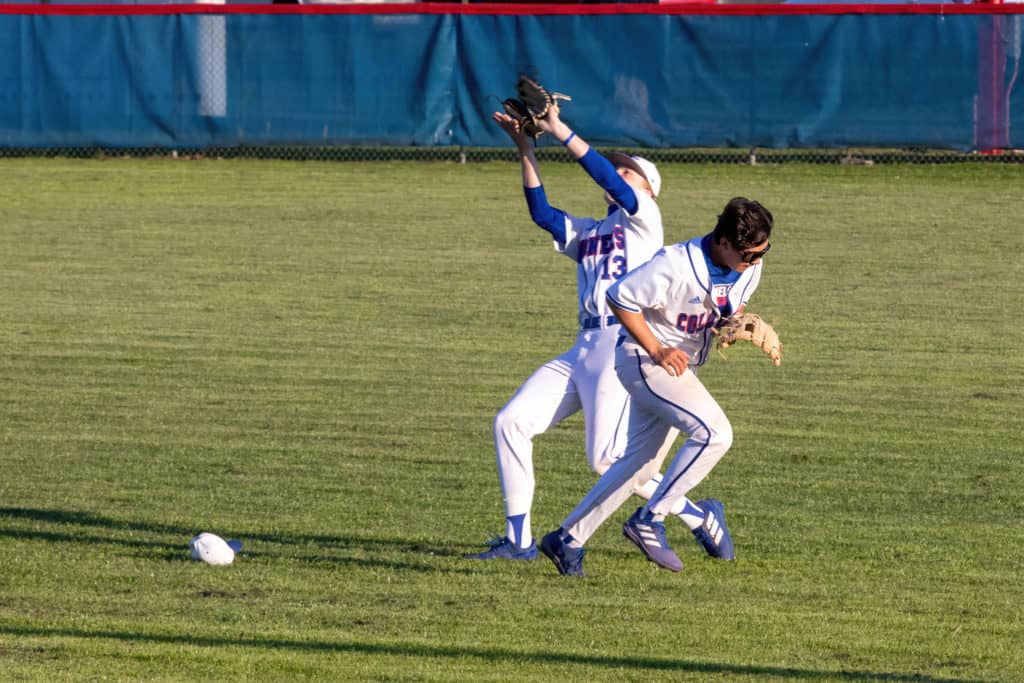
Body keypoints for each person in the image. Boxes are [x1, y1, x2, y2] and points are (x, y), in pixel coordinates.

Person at [465, 102, 676, 561]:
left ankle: (695, 513)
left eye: (629, 171)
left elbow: (607, 179)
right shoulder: (592, 232)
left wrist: (559, 129)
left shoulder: (645, 222)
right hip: (582, 348)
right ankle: (518, 541)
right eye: (619, 168)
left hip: (620, 344)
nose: (619, 173)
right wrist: (526, 148)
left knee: (605, 459)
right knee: (510, 422)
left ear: (648, 191)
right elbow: (543, 214)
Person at [539, 197, 775, 576]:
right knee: (715, 434)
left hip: (679, 369)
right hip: (643, 360)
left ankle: (567, 539)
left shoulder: (748, 269)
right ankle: (651, 518)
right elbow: (618, 297)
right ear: (724, 242)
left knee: (641, 465)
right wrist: (657, 348)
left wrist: (734, 326)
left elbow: (726, 310)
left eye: (764, 251)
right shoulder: (675, 264)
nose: (757, 260)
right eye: (751, 254)